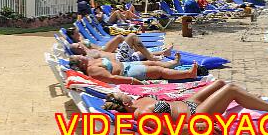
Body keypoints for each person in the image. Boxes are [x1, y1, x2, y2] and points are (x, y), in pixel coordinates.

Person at [103, 80, 268, 135]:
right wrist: (203, 128)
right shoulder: (144, 114)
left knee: (220, 83)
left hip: (191, 103)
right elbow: (173, 131)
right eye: (121, 95)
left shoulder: (138, 102)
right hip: (196, 115)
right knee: (231, 90)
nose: (122, 92)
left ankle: (251, 100)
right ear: (125, 104)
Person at [69, 55, 198, 84]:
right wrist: (132, 81)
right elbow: (112, 79)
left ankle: (173, 63)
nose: (81, 55)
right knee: (159, 72)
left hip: (126, 65)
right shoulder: (92, 70)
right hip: (127, 72)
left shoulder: (91, 61)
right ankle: (188, 74)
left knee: (152, 62)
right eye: (78, 56)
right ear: (80, 63)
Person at [69, 33, 176, 63]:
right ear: (78, 52)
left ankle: (163, 52)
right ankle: (152, 58)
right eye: (78, 47)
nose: (80, 46)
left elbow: (81, 40)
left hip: (122, 57)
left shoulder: (89, 50)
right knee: (132, 36)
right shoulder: (88, 56)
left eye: (79, 45)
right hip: (120, 60)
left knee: (141, 53)